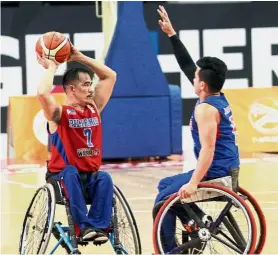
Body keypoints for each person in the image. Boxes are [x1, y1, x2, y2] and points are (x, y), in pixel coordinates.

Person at [155, 5, 240, 252]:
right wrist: (172, 34)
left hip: (217, 173)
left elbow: (208, 150)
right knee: (165, 185)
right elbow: (187, 65)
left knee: (162, 202)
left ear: (202, 84)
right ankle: (197, 223)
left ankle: (169, 251)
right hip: (227, 169)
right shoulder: (216, 96)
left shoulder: (205, 109)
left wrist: (193, 182)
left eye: (195, 79)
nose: (191, 79)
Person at [36, 43, 117, 244]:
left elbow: (110, 76)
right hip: (61, 178)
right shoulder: (58, 114)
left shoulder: (94, 107)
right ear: (72, 89)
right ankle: (83, 228)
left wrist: (79, 56)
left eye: (90, 84)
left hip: (89, 178)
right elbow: (42, 93)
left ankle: (97, 227)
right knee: (71, 172)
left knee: (105, 178)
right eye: (86, 84)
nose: (90, 89)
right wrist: (52, 67)